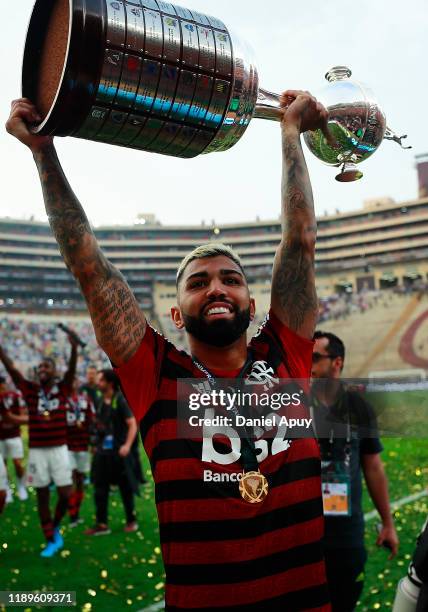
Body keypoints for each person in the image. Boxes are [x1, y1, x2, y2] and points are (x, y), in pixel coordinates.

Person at [6, 92, 331, 609]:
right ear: (176, 314)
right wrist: (44, 152)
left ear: (253, 300)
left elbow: (300, 243)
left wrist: (290, 135)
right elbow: (91, 267)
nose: (218, 288)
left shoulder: (286, 355)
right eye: (198, 283)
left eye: (231, 279)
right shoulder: (156, 375)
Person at [311, 330, 399, 611]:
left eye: (314, 357)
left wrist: (388, 523)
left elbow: (373, 466)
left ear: (337, 363)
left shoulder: (358, 407)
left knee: (343, 602)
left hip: (345, 534)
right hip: (302, 532)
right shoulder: (291, 404)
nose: (307, 364)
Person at [0, 336, 78, 557]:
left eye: (47, 366)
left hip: (59, 449)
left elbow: (71, 370)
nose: (42, 369)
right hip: (37, 451)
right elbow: (13, 371)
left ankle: (53, 525)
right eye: (40, 366)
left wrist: (73, 349)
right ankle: (50, 538)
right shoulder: (30, 389)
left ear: (54, 372)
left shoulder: (62, 388)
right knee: (42, 495)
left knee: (65, 493)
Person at [85, 369, 138, 535]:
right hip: (102, 453)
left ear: (110, 383)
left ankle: (131, 520)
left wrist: (127, 446)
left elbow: (132, 424)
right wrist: (95, 444)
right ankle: (102, 524)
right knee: (100, 488)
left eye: (101, 380)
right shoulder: (100, 400)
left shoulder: (120, 400)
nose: (97, 383)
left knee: (125, 488)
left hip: (118, 454)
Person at [66, 377, 96, 526]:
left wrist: (93, 442)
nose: (73, 383)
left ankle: (76, 511)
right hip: (67, 446)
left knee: (80, 480)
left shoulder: (85, 399)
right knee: (71, 479)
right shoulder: (62, 400)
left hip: (83, 445)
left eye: (75, 381)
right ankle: (72, 514)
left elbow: (92, 420)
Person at [0, 376, 28, 501]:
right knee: (3, 465)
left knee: (17, 463)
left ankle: (21, 486)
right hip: (0, 436)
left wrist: (14, 421)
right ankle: (7, 488)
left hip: (14, 434)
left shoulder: (14, 396)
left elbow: (21, 414)